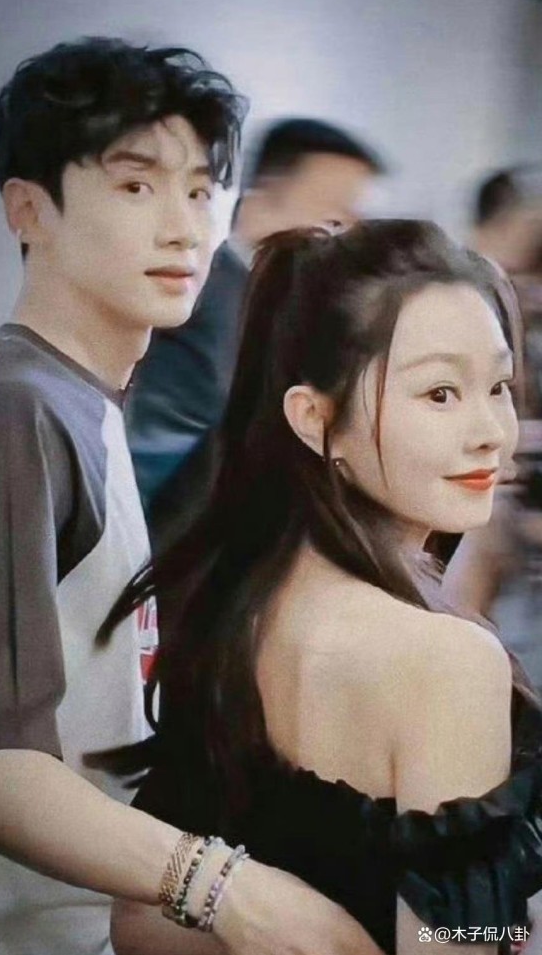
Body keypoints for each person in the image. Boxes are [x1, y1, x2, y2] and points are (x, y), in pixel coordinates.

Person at [0, 38, 380, 955]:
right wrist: (223, 888)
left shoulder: (84, 400)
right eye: (137, 186)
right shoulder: (15, 412)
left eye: (200, 190)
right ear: (29, 209)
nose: (185, 229)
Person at [99, 220, 542, 955]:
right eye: (440, 393)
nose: (492, 429)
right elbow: (462, 942)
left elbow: (142, 922)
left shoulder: (234, 608)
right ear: (314, 419)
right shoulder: (446, 661)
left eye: (497, 386)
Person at [126, 117, 384, 546]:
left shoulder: (282, 308)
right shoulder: (200, 296)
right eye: (334, 219)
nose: (346, 241)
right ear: (260, 205)